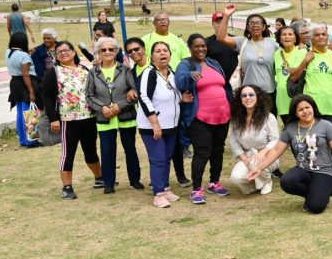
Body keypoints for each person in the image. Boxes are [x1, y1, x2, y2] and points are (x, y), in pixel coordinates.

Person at [247, 94, 332, 214]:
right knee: (287, 181)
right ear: (295, 113)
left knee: (316, 207)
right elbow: (277, 150)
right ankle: (315, 194)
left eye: (307, 107)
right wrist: (260, 168)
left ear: (313, 107)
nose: (305, 111)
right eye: (300, 109)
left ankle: (320, 196)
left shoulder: (326, 125)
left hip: (324, 171)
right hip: (303, 169)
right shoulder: (290, 128)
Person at [176, 34, 233, 204]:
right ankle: (197, 188)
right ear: (190, 48)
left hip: (222, 115)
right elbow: (180, 83)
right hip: (200, 117)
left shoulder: (213, 63)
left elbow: (224, 84)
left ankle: (215, 182)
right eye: (196, 46)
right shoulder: (186, 64)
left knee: (218, 150)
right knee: (202, 151)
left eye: (203, 46)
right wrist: (190, 76)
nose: (201, 49)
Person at [41, 41, 101, 199]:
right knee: (68, 153)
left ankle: (99, 178)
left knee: (91, 151)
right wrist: (54, 118)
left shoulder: (84, 70)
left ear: (74, 52)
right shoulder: (53, 72)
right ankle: (67, 187)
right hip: (68, 120)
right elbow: (46, 96)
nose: (63, 53)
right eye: (59, 52)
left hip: (89, 118)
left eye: (67, 50)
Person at [86, 36, 142, 193]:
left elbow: (134, 92)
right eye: (103, 50)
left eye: (111, 49)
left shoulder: (125, 70)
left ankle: (135, 180)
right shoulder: (93, 73)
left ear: (116, 51)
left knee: (130, 149)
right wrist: (102, 108)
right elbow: (89, 96)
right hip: (105, 118)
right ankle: (109, 183)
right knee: (107, 151)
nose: (108, 52)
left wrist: (120, 106)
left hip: (126, 117)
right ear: (98, 52)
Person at [137, 41, 186, 208]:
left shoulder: (172, 73)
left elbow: (172, 96)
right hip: (152, 126)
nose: (162, 53)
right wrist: (154, 123)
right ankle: (158, 193)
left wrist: (182, 98)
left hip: (171, 125)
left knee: (166, 158)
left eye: (165, 50)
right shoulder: (149, 73)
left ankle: (165, 188)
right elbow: (143, 97)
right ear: (152, 56)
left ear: (170, 55)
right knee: (158, 159)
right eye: (158, 51)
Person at [227, 85, 281, 195]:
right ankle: (256, 185)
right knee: (236, 177)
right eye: (244, 95)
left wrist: (263, 152)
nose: (247, 98)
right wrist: (244, 158)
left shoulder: (268, 117)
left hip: (269, 156)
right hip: (248, 156)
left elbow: (275, 139)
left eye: (251, 95)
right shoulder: (236, 119)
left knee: (255, 162)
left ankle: (266, 181)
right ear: (240, 99)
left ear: (258, 97)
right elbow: (234, 142)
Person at [302, 24, 332, 128]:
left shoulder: (331, 54)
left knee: (331, 140)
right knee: (314, 140)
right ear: (312, 38)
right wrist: (305, 61)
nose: (321, 37)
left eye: (323, 34)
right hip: (312, 106)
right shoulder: (305, 53)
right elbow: (293, 76)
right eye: (317, 35)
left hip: (331, 105)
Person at [6, 32, 41, 148]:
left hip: (14, 83)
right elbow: (25, 74)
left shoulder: (8, 52)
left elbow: (18, 59)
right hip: (25, 83)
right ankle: (31, 140)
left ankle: (23, 139)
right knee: (28, 112)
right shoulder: (24, 56)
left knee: (20, 113)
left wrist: (28, 52)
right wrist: (31, 91)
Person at [272, 25, 309, 122]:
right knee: (289, 131)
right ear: (279, 38)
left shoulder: (303, 52)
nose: (287, 37)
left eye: (290, 34)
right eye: (284, 35)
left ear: (295, 37)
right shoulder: (276, 54)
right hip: (282, 101)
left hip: (299, 100)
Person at [207, 5, 240, 84]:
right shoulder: (206, 42)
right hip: (216, 81)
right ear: (213, 24)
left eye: (222, 21)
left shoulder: (235, 40)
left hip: (235, 81)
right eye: (217, 22)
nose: (220, 24)